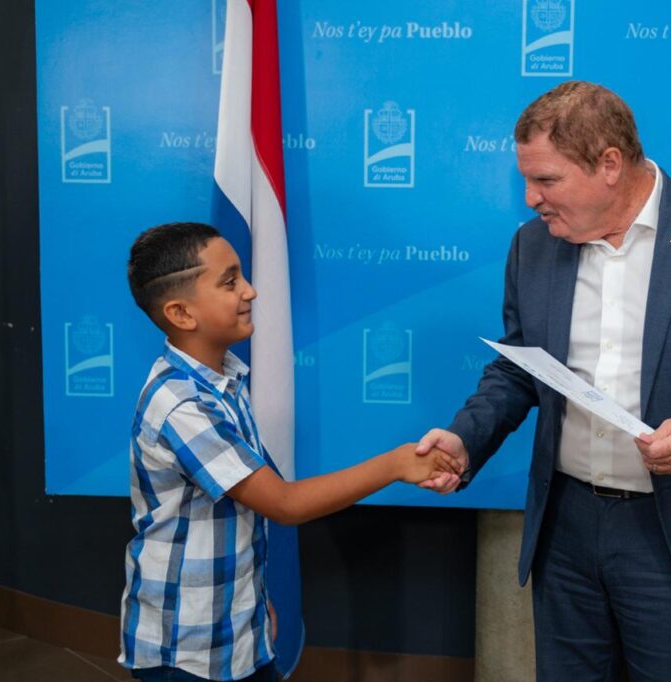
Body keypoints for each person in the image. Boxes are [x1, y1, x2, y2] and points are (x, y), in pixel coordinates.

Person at [417, 81, 671, 681]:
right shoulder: (533, 246)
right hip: (566, 532)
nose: (530, 199)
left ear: (609, 164)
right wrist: (465, 438)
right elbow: (519, 368)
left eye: (546, 180)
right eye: (526, 180)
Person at [119, 222, 460, 682]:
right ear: (181, 313)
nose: (251, 291)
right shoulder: (182, 405)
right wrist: (396, 464)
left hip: (239, 629)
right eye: (230, 282)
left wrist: (254, 603)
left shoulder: (224, 381)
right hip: (187, 650)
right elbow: (283, 503)